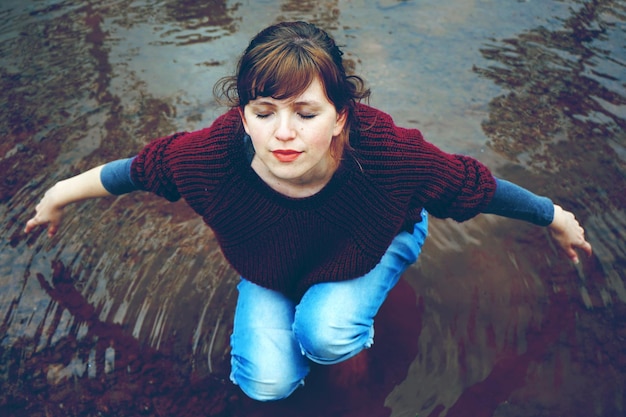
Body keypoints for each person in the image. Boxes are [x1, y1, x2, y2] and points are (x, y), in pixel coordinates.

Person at [24, 21, 592, 401]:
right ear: (243, 116)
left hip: (373, 239)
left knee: (325, 332)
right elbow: (135, 171)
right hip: (273, 265)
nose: (284, 133)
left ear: (341, 115)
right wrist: (56, 197)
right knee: (265, 386)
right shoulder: (208, 157)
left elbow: (475, 185)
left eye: (305, 111)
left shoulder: (389, 156)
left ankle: (356, 400)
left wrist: (555, 217)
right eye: (264, 111)